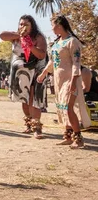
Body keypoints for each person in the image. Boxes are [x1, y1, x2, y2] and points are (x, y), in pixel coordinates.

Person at [37, 15, 90, 149]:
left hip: (70, 80)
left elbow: (76, 63)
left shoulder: (72, 42)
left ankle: (78, 138)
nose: (52, 28)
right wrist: (44, 73)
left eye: (53, 25)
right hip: (58, 81)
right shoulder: (57, 43)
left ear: (59, 25)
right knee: (62, 107)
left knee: (68, 106)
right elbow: (52, 61)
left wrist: (73, 81)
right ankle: (68, 135)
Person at [0, 15, 48, 139]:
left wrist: (30, 45)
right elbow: (2, 35)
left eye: (26, 24)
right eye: (21, 24)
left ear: (32, 26)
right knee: (25, 97)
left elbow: (42, 55)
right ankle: (28, 123)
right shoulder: (15, 37)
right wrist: (19, 36)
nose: (23, 26)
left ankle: (37, 127)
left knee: (34, 97)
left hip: (37, 68)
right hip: (22, 71)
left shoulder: (38, 37)